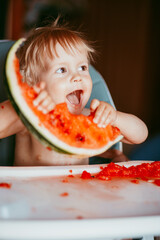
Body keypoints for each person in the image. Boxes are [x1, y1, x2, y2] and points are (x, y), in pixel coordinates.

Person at [0, 21, 148, 166]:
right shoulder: (30, 117)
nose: (77, 77)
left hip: (77, 188)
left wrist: (115, 118)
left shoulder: (89, 118)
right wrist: (21, 104)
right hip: (29, 189)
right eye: (61, 70)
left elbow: (140, 135)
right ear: (32, 83)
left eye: (82, 68)